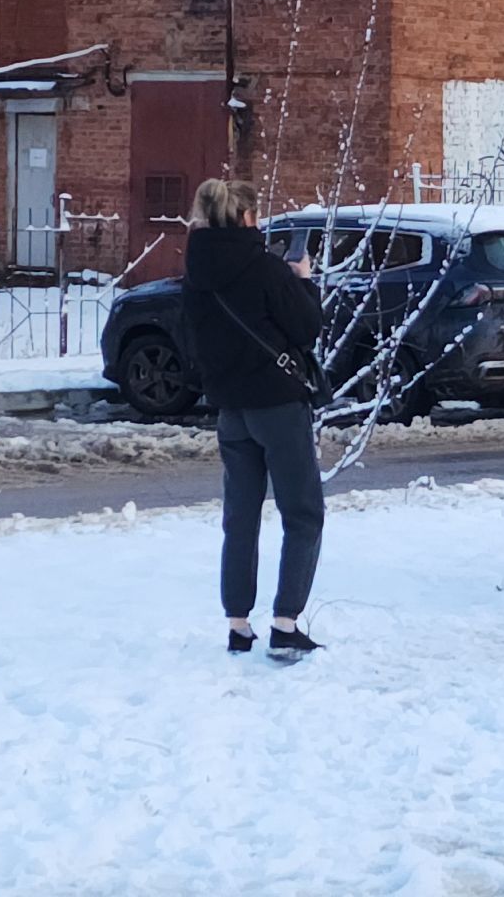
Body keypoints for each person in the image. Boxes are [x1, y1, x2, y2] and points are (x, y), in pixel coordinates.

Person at [181, 178, 327, 659]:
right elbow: (307, 328)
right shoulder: (265, 269)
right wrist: (303, 280)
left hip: (231, 411)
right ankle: (285, 625)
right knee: (302, 513)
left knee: (240, 518)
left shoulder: (196, 272)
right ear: (246, 218)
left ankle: (238, 625)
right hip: (278, 407)